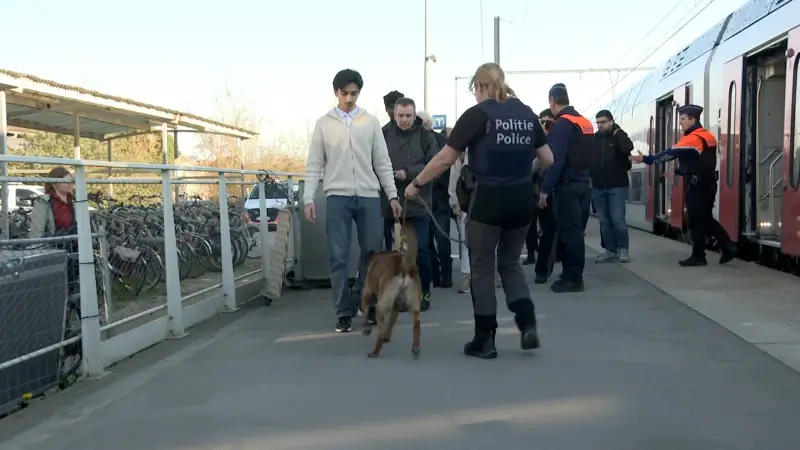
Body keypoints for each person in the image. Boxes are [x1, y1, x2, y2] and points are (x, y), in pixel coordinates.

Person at [405, 62, 553, 359]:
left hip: (488, 201)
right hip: (522, 200)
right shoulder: (527, 113)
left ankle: (485, 339)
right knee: (510, 263)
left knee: (483, 267)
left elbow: (446, 158)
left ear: (481, 85)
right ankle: (527, 325)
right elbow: (547, 158)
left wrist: (416, 183)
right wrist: (524, 174)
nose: (475, 94)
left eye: (475, 89)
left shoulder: (478, 115)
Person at [303, 69, 402, 333]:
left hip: (369, 195)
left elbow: (382, 161)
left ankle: (364, 301)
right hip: (337, 195)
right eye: (344, 93)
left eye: (354, 93)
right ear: (336, 92)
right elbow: (314, 163)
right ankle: (342, 311)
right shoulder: (324, 124)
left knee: (372, 253)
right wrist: (308, 197)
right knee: (338, 255)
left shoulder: (369, 122)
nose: (349, 98)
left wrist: (392, 194)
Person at [630, 104, 736, 266]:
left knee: (697, 219)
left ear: (693, 119)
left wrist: (646, 159)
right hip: (707, 182)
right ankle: (716, 250)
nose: (680, 122)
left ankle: (712, 251)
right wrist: (679, 172)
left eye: (683, 119)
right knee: (703, 218)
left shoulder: (693, 138)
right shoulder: (707, 136)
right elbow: (700, 161)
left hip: (698, 185)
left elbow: (670, 154)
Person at [381, 98, 439, 311]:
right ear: (394, 115)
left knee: (421, 250)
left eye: (408, 116)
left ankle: (423, 292)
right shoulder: (383, 134)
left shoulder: (426, 136)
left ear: (414, 116)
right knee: (394, 251)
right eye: (400, 116)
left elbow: (434, 162)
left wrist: (409, 172)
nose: (404, 120)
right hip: (389, 200)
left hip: (419, 201)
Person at [539, 83, 594, 293]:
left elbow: (556, 160)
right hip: (583, 184)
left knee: (570, 233)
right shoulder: (585, 122)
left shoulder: (562, 124)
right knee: (576, 231)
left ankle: (573, 277)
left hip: (568, 186)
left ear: (552, 100)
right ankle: (571, 273)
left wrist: (545, 189)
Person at [591, 109, 634, 263]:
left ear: (611, 121)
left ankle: (623, 249)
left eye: (603, 122)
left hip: (617, 185)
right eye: (598, 123)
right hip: (598, 186)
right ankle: (610, 250)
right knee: (604, 220)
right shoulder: (595, 139)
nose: (600, 126)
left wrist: (618, 132)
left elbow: (627, 148)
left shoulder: (618, 136)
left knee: (617, 219)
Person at [418, 111, 454, 289]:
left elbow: (447, 166)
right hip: (431, 197)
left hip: (437, 197)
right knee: (430, 239)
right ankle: (438, 276)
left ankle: (444, 275)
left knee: (440, 238)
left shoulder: (439, 141)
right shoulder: (424, 140)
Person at [30, 166, 79, 293]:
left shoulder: (74, 201)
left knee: (74, 284)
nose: (70, 184)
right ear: (54, 183)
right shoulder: (44, 203)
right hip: (55, 250)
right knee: (58, 287)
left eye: (72, 181)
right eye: (66, 181)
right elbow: (36, 233)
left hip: (74, 247)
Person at [522, 109, 556, 266]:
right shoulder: (529, 139)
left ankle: (548, 256)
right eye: (541, 122)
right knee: (529, 225)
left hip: (547, 188)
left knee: (547, 225)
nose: (544, 125)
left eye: (547, 122)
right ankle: (531, 253)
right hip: (531, 187)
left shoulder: (555, 140)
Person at [448, 141, 471, 294]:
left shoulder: (477, 154)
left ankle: (493, 273)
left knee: (488, 241)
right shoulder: (455, 160)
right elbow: (453, 181)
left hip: (481, 204)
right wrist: (454, 203)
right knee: (465, 241)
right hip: (463, 205)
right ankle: (467, 276)